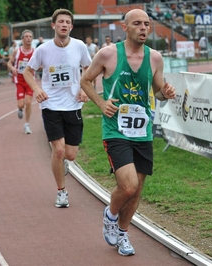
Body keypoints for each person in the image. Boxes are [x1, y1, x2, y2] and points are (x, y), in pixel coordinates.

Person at [80, 9, 176, 256]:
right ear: (125, 27)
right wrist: (101, 104)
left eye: (147, 23)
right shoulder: (108, 54)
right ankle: (110, 215)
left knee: (138, 188)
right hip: (116, 130)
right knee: (128, 186)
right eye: (137, 23)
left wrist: (166, 93)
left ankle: (122, 233)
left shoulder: (154, 58)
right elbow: (85, 80)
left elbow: (157, 92)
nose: (144, 28)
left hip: (142, 130)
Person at [23, 8, 91, 208]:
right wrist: (36, 89)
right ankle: (62, 191)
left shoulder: (79, 47)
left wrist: (85, 89)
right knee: (59, 151)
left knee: (70, 154)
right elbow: (28, 71)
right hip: (51, 105)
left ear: (71, 26)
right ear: (53, 25)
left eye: (67, 22)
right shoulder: (43, 49)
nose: (63, 25)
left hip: (73, 105)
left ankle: (63, 164)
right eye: (60, 22)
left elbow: (88, 67)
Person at [7, 29, 35, 134]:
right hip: (19, 80)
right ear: (22, 39)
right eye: (26, 36)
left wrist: (37, 68)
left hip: (30, 81)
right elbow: (9, 63)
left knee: (28, 102)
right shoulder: (17, 51)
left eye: (30, 36)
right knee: (21, 104)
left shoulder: (35, 52)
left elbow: (40, 64)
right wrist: (13, 68)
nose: (28, 38)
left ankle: (27, 125)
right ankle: (19, 109)